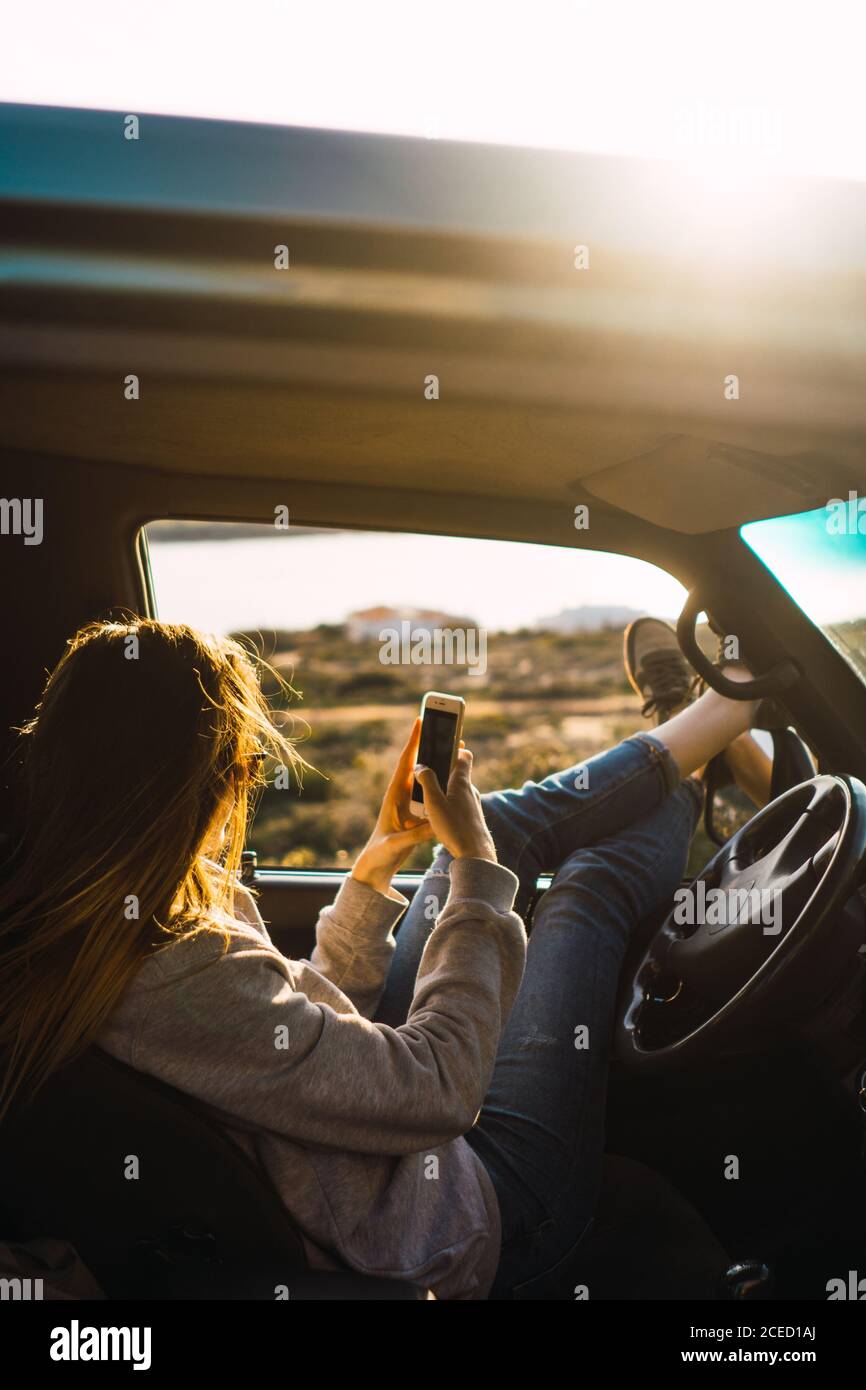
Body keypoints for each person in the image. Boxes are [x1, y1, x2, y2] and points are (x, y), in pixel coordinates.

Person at [0, 615, 777, 1299]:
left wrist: (375, 864)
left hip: (390, 1159)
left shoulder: (117, 920)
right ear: (196, 785)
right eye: (243, 771)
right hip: (475, 1217)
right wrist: (471, 868)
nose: (246, 787)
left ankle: (695, 734)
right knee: (587, 889)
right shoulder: (173, 966)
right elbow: (439, 1089)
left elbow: (286, 1045)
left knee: (501, 829)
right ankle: (700, 739)